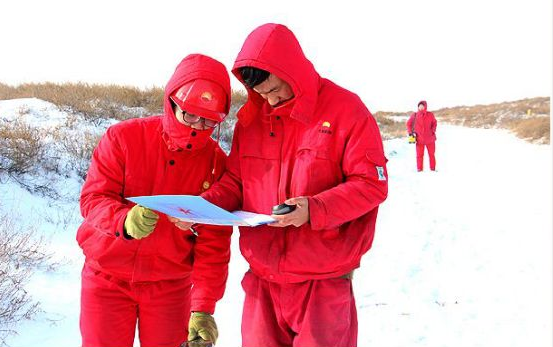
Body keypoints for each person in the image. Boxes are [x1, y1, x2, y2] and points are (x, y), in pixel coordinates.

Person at [201, 23, 389, 347]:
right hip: (262, 282)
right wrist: (205, 206)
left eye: (275, 90)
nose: (270, 100)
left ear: (293, 70)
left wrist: (314, 209)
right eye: (261, 94)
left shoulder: (346, 110)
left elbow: (372, 183)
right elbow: (236, 180)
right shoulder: (252, 120)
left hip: (322, 282)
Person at [76, 54, 232, 347]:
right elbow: (93, 198)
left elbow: (215, 241)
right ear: (171, 102)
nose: (198, 126)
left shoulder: (216, 164)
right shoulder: (123, 138)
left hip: (170, 288)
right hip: (106, 278)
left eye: (210, 119)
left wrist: (203, 308)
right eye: (190, 115)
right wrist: (123, 220)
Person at [406, 100, 437, 171]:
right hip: (419, 139)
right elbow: (408, 124)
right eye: (419, 106)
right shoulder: (414, 115)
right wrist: (410, 132)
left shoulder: (430, 114)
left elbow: (434, 123)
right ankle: (419, 169)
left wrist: (433, 130)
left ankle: (433, 168)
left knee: (431, 155)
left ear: (425, 106)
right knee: (419, 156)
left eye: (422, 106)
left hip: (430, 139)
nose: (421, 107)